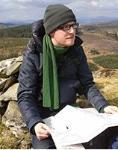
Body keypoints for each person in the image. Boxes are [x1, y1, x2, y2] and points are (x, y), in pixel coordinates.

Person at [17, 4, 118, 149]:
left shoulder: (76, 50)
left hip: (72, 113)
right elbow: (25, 95)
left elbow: (87, 84)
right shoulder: (34, 55)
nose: (72, 31)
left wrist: (103, 106)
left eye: (73, 26)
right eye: (66, 27)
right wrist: (35, 123)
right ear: (51, 31)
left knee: (108, 137)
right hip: (44, 118)